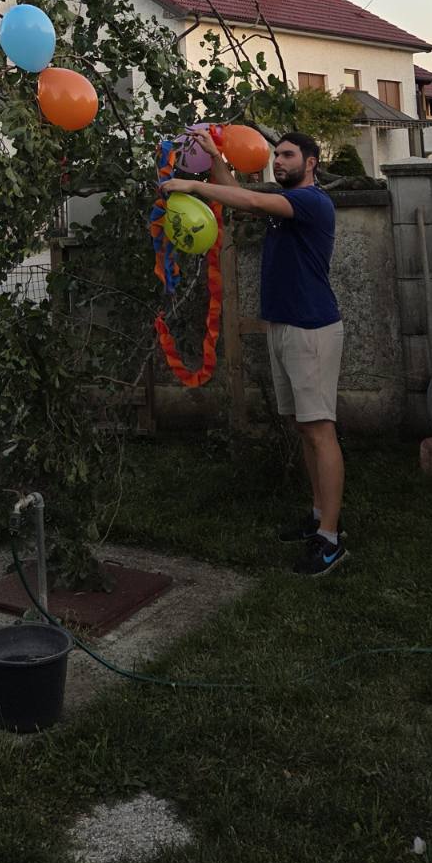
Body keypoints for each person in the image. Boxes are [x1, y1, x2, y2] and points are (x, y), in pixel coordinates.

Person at [162, 127, 346, 576]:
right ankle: (318, 516)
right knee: (304, 428)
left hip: (311, 330)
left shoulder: (312, 202)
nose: (278, 162)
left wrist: (191, 184)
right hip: (284, 326)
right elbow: (239, 195)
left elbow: (253, 202)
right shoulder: (288, 206)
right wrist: (214, 158)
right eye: (276, 156)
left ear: (311, 162)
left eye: (287, 155)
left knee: (321, 431)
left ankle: (331, 539)